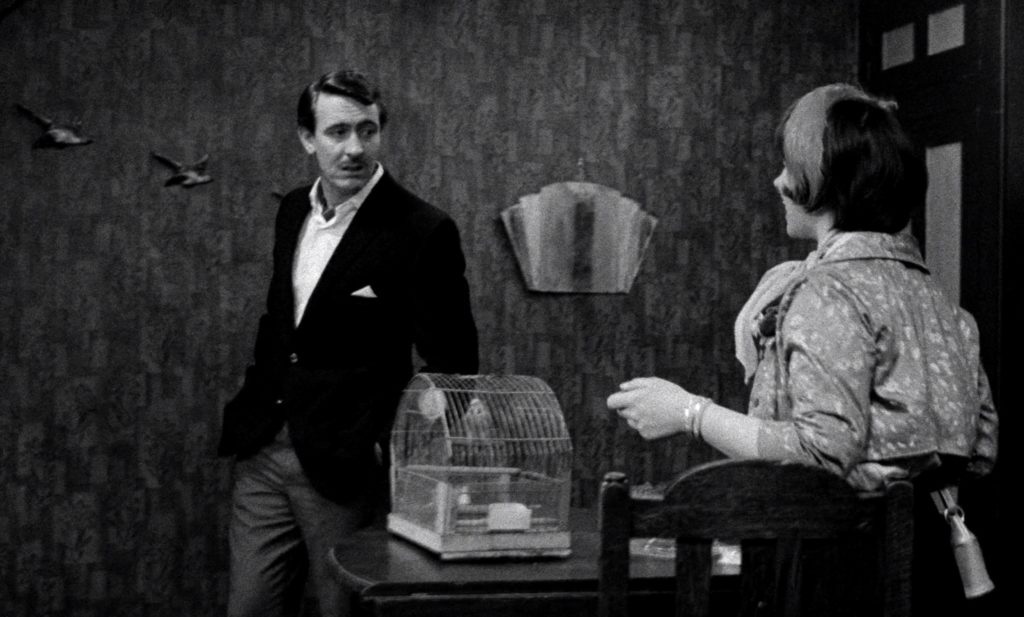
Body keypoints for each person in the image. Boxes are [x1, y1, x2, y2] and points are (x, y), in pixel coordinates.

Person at [607, 83, 998, 613]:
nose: (777, 181)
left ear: (823, 181)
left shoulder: (827, 291)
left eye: (788, 167)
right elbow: (981, 449)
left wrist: (687, 412)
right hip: (928, 562)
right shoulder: (936, 298)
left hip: (838, 570)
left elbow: (819, 456)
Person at [219, 69, 479, 617]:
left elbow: (455, 365)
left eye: (367, 130)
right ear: (307, 138)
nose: (354, 148)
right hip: (263, 447)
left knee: (344, 609)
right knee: (248, 608)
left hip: (345, 465)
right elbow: (281, 321)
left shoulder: (422, 229)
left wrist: (386, 443)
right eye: (337, 132)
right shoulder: (293, 209)